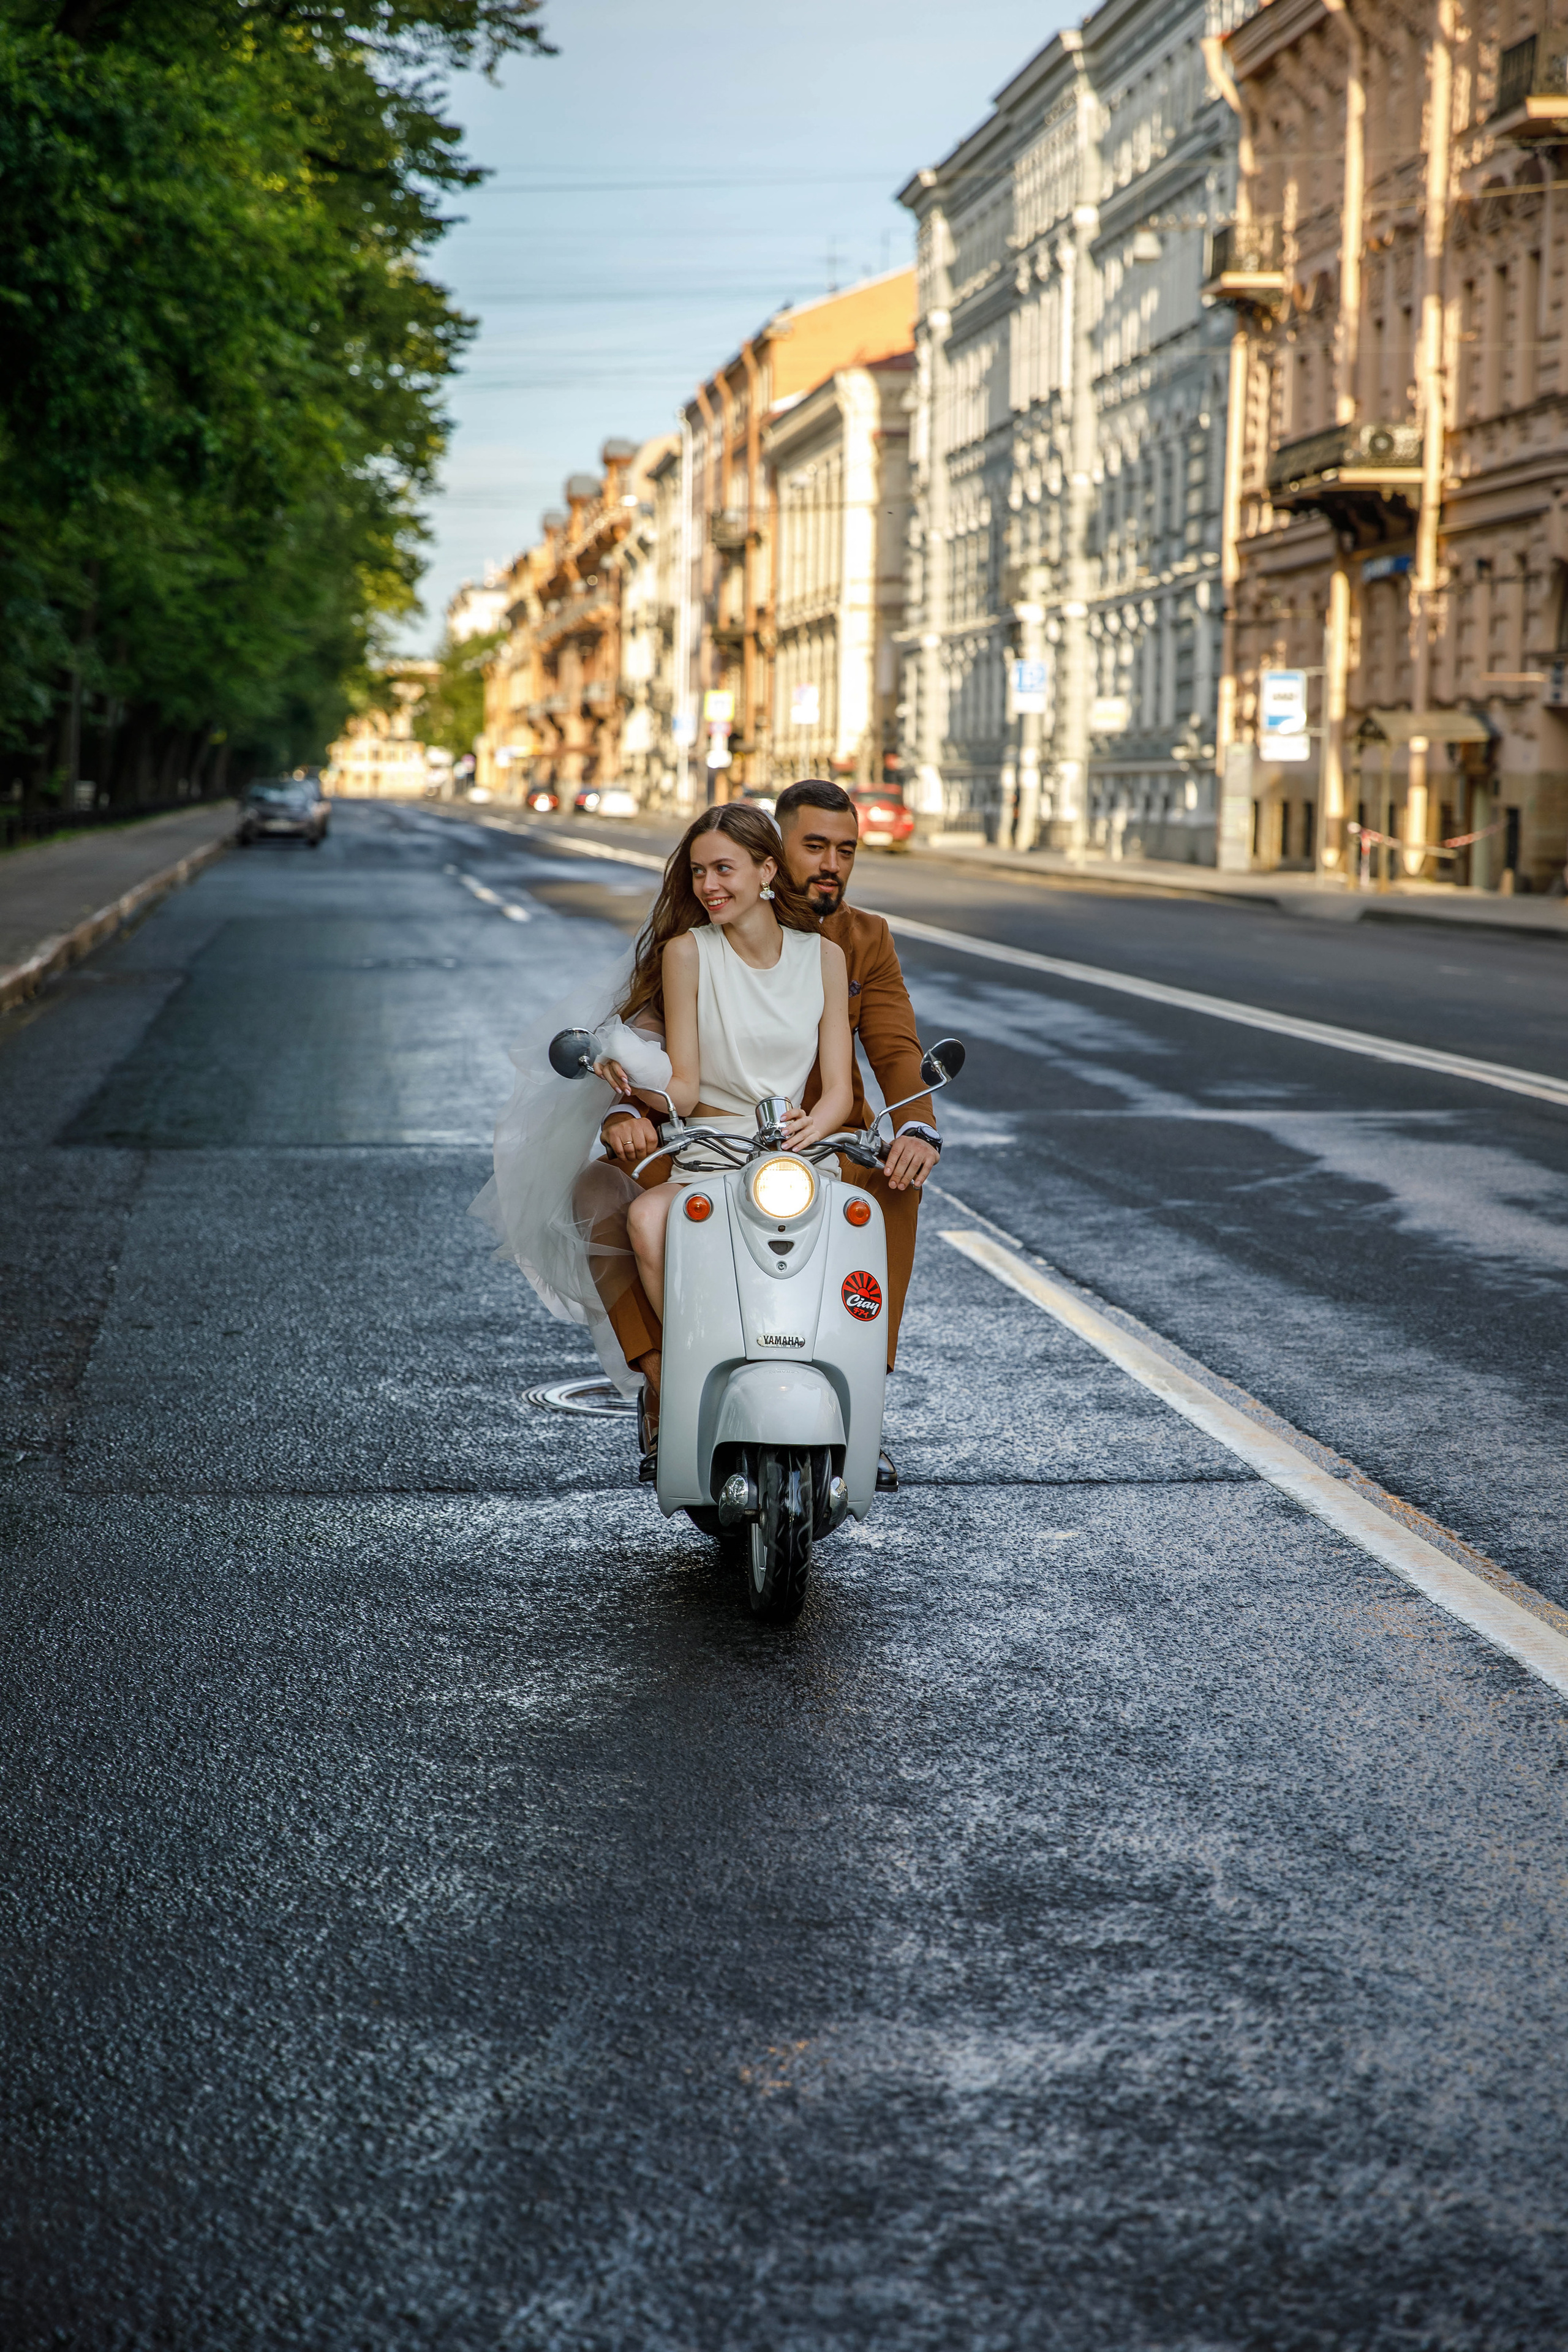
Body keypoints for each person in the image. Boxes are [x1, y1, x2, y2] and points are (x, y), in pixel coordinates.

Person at [600, 778, 939, 1490]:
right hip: (714, 1138)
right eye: (814, 846)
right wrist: (632, 1108)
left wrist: (916, 1128)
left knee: (894, 1190)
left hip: (821, 1140)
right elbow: (657, 1032)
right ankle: (669, 1381)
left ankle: (860, 1399)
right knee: (603, 1193)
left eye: (846, 851)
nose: (832, 866)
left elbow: (895, 1046)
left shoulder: (855, 941)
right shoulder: (692, 944)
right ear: (773, 852)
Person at [586, 802, 853, 1472]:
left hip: (797, 1152)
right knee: (647, 1216)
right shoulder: (686, 953)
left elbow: (841, 1091)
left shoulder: (823, 956)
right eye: (699, 871)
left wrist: (812, 1127)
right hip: (713, 1148)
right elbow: (684, 1086)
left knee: (854, 1224)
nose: (709, 886)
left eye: (724, 869)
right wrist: (632, 1091)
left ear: (766, 869)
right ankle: (686, 1374)